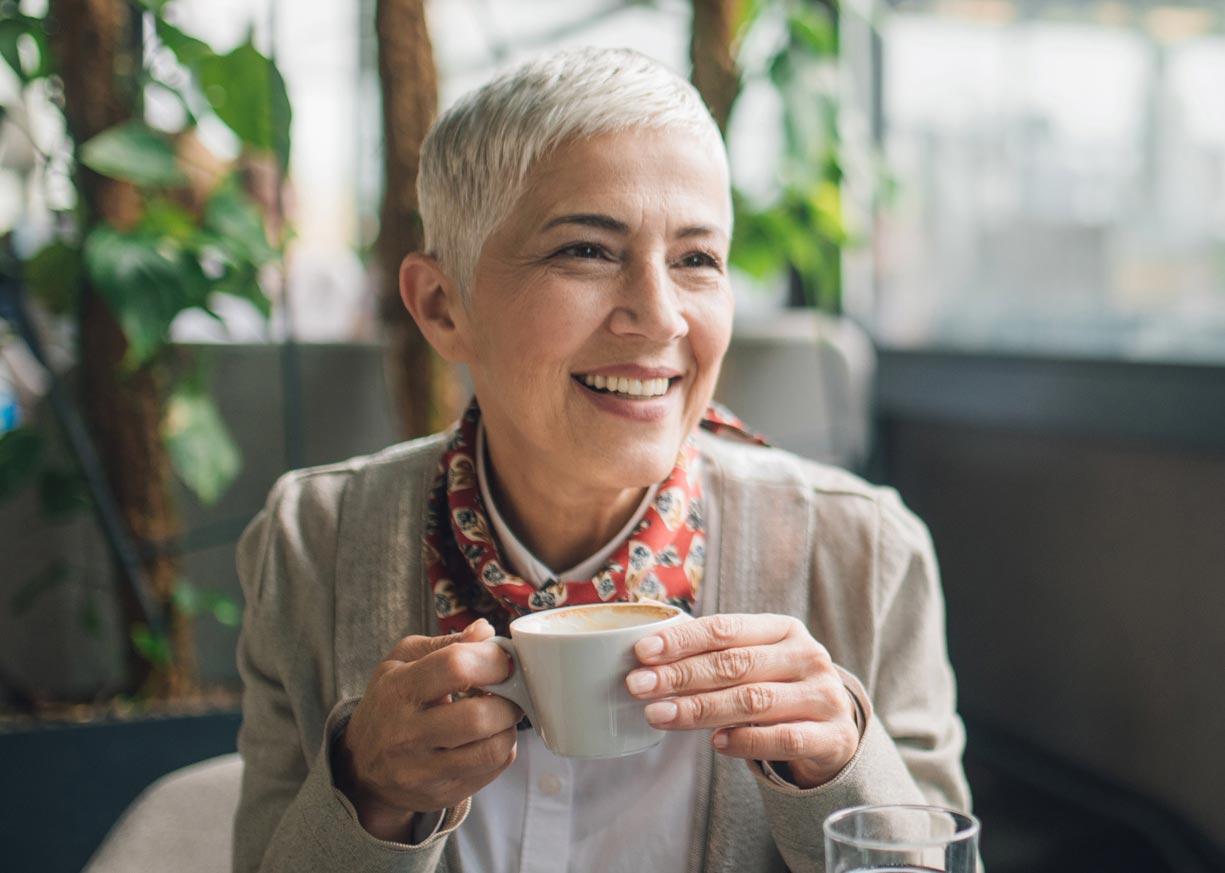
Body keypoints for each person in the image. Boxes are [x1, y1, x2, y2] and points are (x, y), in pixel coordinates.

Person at [231, 47, 971, 873]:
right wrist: (365, 791)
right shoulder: (313, 544)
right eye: (585, 250)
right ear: (443, 307)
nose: (658, 318)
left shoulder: (864, 554)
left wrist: (841, 768)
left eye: (696, 259)